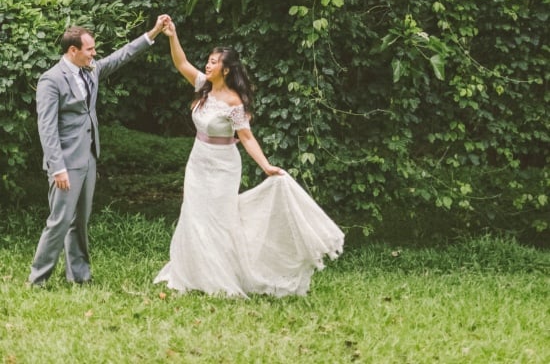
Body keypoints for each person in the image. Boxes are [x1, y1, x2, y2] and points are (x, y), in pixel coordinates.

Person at [154, 21, 344, 297]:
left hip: (223, 165)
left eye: (213, 62)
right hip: (198, 162)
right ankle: (194, 272)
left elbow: (246, 137)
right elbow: (181, 62)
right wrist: (172, 36)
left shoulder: (234, 103)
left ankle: (221, 275)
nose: (207, 66)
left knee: (219, 219)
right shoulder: (204, 86)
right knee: (194, 214)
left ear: (226, 70)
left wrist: (266, 166)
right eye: (208, 61)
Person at [28, 15, 170, 287]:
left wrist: (152, 33)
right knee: (59, 221)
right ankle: (37, 279)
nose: (95, 53)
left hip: (89, 157)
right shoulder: (51, 81)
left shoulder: (90, 69)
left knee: (79, 221)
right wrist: (57, 167)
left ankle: (79, 276)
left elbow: (121, 56)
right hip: (66, 162)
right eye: (90, 49)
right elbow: (46, 128)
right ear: (73, 51)